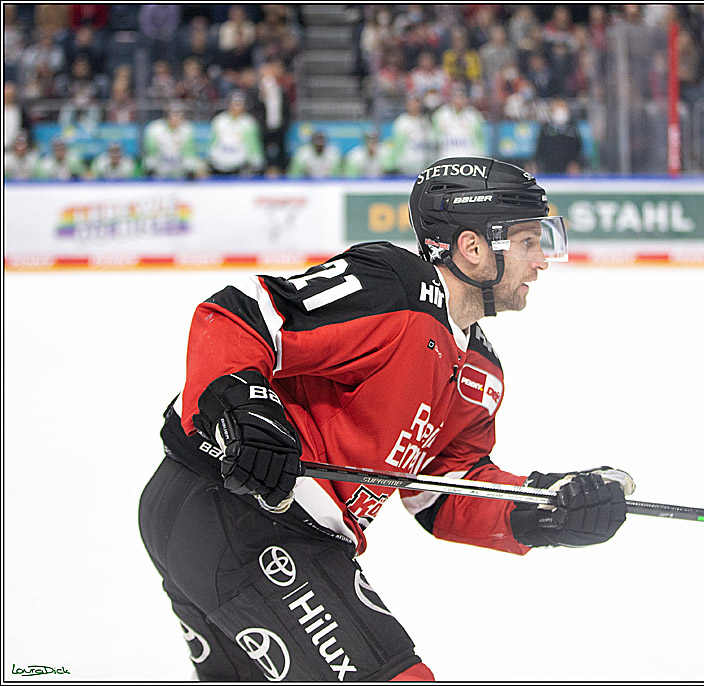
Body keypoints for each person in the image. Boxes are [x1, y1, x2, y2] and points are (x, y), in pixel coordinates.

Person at [138, 156, 634, 681]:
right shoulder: (395, 288)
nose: (542, 261)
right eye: (530, 242)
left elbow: (440, 495)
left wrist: (547, 509)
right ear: (472, 247)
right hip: (239, 510)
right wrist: (244, 405)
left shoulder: (483, 373)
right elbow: (243, 316)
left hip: (243, 530)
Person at [208, 90, 264, 177]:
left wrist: (257, 162)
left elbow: (254, 144)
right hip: (219, 162)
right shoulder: (219, 120)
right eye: (234, 103)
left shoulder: (249, 122)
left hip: (240, 164)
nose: (236, 107)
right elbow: (212, 142)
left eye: (239, 104)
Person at [143, 103, 204, 179]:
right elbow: (150, 151)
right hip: (159, 170)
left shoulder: (187, 129)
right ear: (167, 115)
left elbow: (189, 152)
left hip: (180, 171)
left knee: (201, 167)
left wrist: (190, 169)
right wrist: (150, 168)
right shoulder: (154, 128)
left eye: (179, 115)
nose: (176, 118)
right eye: (173, 115)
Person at [533, 98, 584, 174]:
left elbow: (578, 149)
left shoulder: (572, 131)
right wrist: (536, 165)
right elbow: (540, 150)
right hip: (548, 170)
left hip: (568, 171)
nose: (561, 114)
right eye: (558, 112)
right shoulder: (545, 130)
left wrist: (575, 163)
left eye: (563, 111)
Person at [388, 95, 436, 176]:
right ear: (407, 105)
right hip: (407, 166)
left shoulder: (425, 120)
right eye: (411, 103)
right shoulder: (401, 122)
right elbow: (397, 145)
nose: (414, 106)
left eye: (416, 103)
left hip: (424, 165)